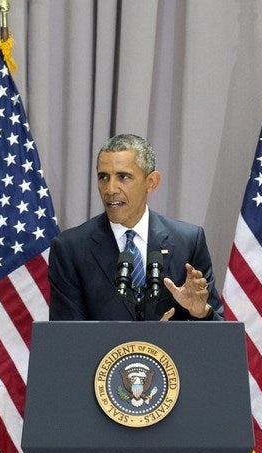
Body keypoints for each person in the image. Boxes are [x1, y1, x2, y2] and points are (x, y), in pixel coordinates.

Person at [48, 134, 224, 321]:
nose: (110, 189)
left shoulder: (188, 242)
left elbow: (219, 336)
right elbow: (67, 339)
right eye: (103, 177)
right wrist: (146, 340)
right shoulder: (70, 248)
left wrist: (200, 312)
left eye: (123, 177)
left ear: (151, 182)